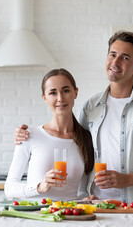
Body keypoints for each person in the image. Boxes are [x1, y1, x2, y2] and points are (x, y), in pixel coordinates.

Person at [13, 31, 133, 205]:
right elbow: (81, 151)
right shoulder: (91, 106)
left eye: (124, 57)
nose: (115, 62)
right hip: (99, 208)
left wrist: (127, 180)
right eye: (112, 54)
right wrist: (26, 134)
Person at [5, 68, 94, 201]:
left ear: (75, 93)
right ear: (44, 98)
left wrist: (84, 200)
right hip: (37, 217)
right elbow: (9, 188)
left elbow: (81, 190)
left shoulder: (86, 138)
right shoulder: (29, 135)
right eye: (53, 93)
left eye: (66, 91)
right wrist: (40, 187)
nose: (60, 98)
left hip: (70, 218)